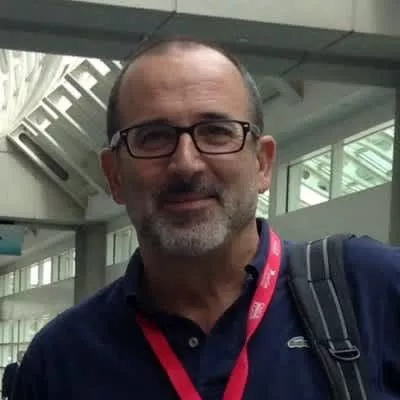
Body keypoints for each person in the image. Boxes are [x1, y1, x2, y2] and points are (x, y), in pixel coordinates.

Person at [12, 36, 400, 399]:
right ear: (114, 176)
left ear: (262, 164)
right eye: (153, 137)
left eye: (216, 132)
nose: (186, 164)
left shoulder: (373, 291)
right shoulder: (60, 360)